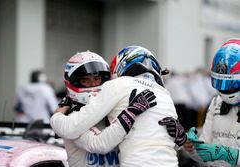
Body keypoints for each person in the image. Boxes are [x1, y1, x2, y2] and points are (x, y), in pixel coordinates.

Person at [50, 46, 179, 166]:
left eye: (97, 79)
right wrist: (56, 115)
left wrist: (177, 137)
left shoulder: (115, 107)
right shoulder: (72, 117)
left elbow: (146, 139)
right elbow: (100, 143)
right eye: (85, 80)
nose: (93, 85)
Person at [182, 39, 240, 167]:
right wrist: (193, 147)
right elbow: (206, 154)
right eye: (221, 83)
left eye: (231, 84)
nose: (225, 89)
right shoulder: (216, 102)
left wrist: (230, 155)